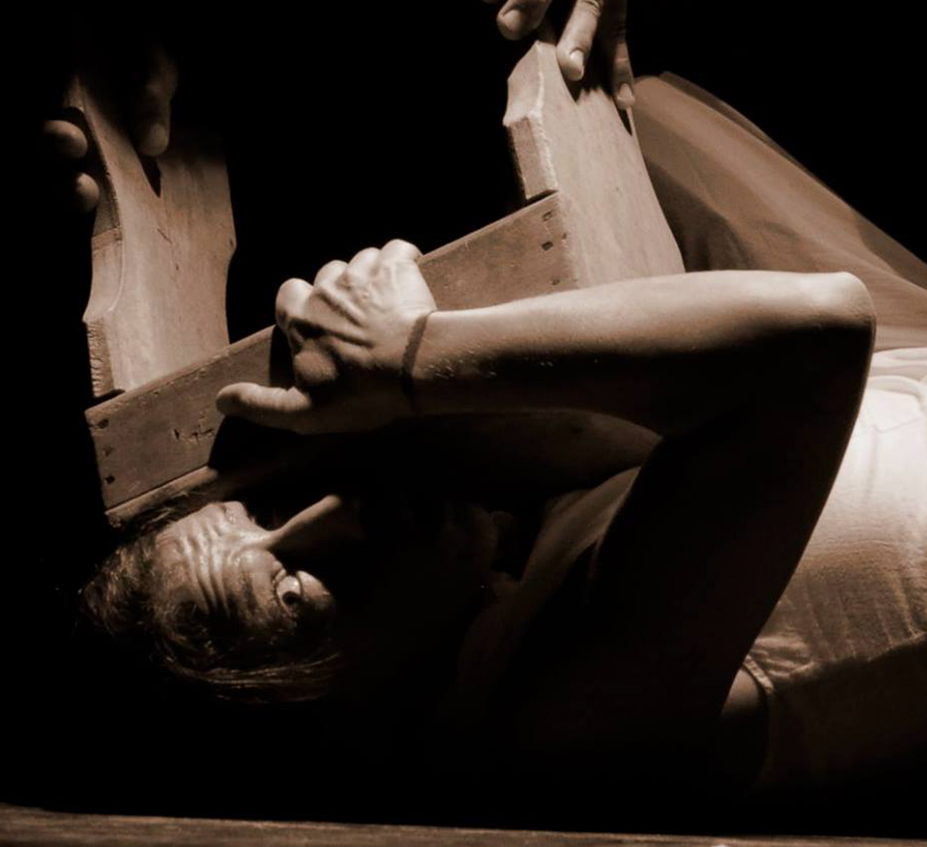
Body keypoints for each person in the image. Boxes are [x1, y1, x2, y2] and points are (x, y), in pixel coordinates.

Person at [81, 73, 926, 800]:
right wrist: (412, 358)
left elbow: (653, 119)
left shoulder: (529, 555)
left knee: (637, 97)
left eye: (267, 511)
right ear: (335, 734)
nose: (335, 511)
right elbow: (814, 333)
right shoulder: (560, 722)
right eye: (292, 596)